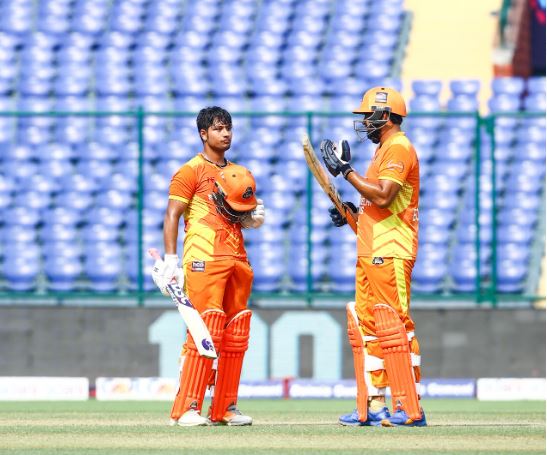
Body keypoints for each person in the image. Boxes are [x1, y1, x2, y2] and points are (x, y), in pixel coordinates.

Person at [151, 106, 265, 426]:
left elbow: (241, 214)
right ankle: (186, 408)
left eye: (228, 127)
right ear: (203, 134)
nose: (225, 133)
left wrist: (251, 219)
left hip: (237, 257)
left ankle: (225, 407)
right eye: (218, 128)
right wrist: (171, 259)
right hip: (204, 257)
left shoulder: (239, 172)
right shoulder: (190, 171)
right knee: (204, 329)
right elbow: (172, 214)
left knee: (235, 333)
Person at [320, 87, 426, 427]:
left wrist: (345, 171)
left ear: (386, 115)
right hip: (370, 250)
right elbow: (375, 207)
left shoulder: (399, 147)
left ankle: (409, 406)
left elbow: (383, 196)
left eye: (368, 115)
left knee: (396, 326)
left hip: (392, 251)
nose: (365, 122)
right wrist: (353, 214)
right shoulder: (382, 150)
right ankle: (376, 404)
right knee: (370, 330)